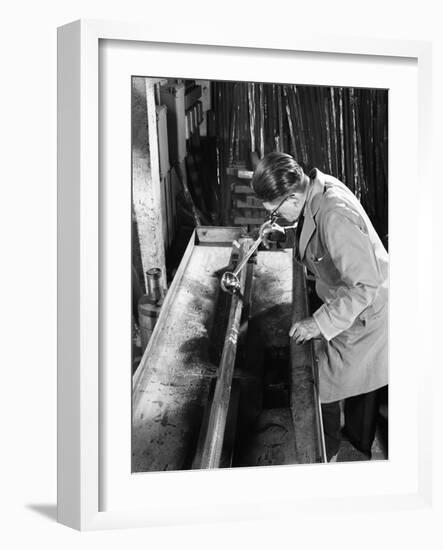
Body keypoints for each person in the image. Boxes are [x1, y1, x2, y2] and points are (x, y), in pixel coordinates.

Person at [251, 152, 388, 461]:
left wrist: (318, 323)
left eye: (275, 212)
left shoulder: (334, 214)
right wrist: (284, 231)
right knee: (339, 382)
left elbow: (364, 285)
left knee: (321, 387)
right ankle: (344, 444)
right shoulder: (314, 188)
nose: (275, 217)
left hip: (367, 315)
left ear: (291, 198)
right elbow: (317, 237)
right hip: (349, 303)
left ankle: (334, 454)